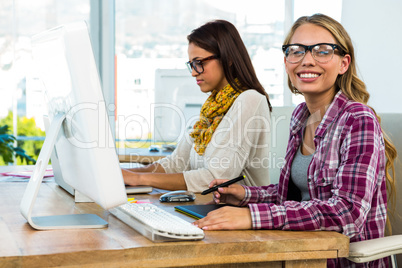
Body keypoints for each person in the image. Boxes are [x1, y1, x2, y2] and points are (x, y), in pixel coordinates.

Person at [193, 14, 397, 267]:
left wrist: (252, 217)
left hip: (338, 261)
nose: (307, 60)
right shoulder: (301, 116)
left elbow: (348, 213)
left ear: (344, 63)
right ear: (287, 60)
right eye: (296, 51)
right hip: (300, 254)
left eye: (323, 51)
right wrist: (245, 194)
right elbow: (296, 196)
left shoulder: (358, 119)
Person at [123, 20, 272, 193]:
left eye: (199, 63)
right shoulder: (213, 106)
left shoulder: (250, 100)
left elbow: (216, 178)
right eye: (192, 65)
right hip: (209, 207)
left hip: (240, 214)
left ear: (228, 59)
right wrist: (125, 174)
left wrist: (138, 178)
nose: (194, 72)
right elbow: (176, 163)